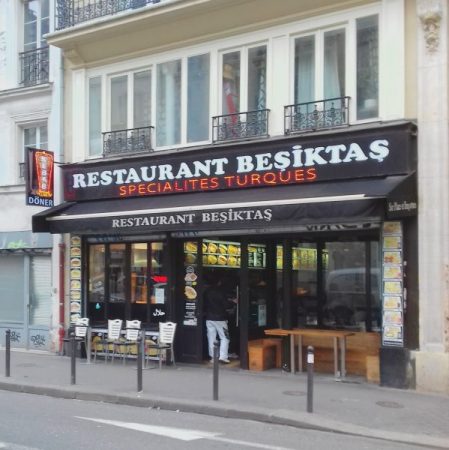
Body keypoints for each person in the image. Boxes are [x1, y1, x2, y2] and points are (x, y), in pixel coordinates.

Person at [204, 276, 236, 364]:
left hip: (209, 318)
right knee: (225, 337)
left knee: (211, 337)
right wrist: (233, 302)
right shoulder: (221, 292)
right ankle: (223, 357)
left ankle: (213, 357)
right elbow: (226, 305)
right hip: (220, 319)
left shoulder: (207, 292)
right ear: (219, 282)